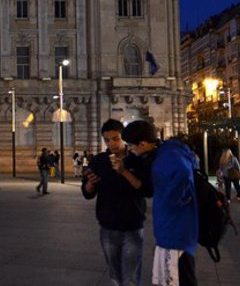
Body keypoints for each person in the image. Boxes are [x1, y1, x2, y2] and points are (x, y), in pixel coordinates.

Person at [122, 120, 198, 286]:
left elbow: (184, 176)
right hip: (169, 230)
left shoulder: (168, 156)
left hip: (176, 232)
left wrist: (170, 200)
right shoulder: (164, 154)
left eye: (131, 145)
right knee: (169, 279)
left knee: (179, 279)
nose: (131, 150)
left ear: (142, 144)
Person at [82, 119, 151, 286]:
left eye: (116, 138)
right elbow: (88, 194)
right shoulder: (99, 161)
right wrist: (90, 183)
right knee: (115, 276)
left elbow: (146, 190)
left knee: (131, 278)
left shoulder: (136, 159)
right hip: (108, 226)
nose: (112, 143)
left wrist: (124, 171)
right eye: (107, 140)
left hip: (132, 226)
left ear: (123, 138)